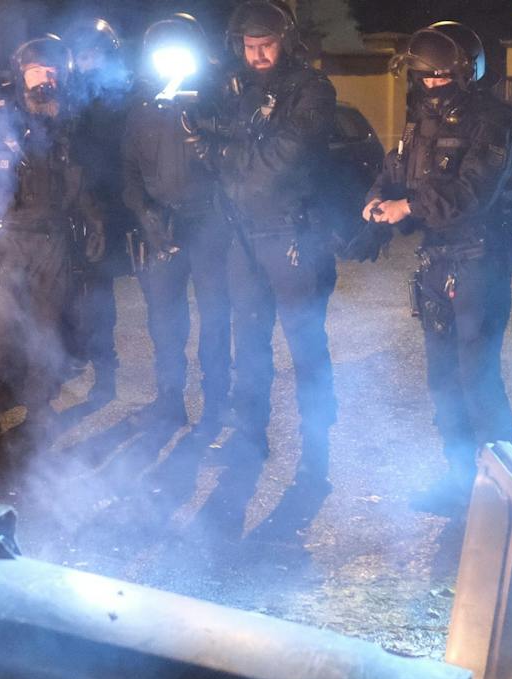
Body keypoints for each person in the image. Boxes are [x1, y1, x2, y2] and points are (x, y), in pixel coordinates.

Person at [363, 21, 512, 512]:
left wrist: (407, 207)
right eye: (423, 76)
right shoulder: (420, 122)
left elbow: (472, 192)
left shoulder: (495, 122)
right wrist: (375, 200)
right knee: (442, 382)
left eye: (440, 76)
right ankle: (460, 481)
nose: (431, 85)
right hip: (436, 266)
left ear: (465, 73)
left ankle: (506, 494)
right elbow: (393, 173)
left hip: (480, 264)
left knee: (478, 382)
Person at [203, 0, 340, 486]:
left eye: (267, 45)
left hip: (292, 234)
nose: (258, 55)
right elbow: (217, 154)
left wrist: (220, 149)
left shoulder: (312, 90)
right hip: (245, 233)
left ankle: (316, 449)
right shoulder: (234, 89)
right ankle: (250, 437)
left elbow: (282, 160)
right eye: (250, 46)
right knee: (251, 343)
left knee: (305, 346)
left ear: (287, 42)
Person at [0, 36, 105, 440]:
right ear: (21, 73)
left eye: (54, 71)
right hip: (7, 238)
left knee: (46, 327)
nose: (47, 78)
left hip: (53, 240)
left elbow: (80, 182)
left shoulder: (69, 123)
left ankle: (38, 408)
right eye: (39, 70)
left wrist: (94, 223)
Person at [122, 13, 233, 427]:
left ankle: (217, 406)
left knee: (215, 318)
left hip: (210, 226)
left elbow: (235, 165)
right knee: (165, 321)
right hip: (161, 229)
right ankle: (169, 402)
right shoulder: (141, 110)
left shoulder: (218, 102)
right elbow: (129, 173)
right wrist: (145, 214)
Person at [64, 18, 134, 409]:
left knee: (98, 298)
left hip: (104, 209)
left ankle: (105, 375)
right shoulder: (67, 96)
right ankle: (64, 364)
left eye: (94, 52)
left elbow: (122, 157)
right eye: (82, 53)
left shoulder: (118, 98)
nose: (86, 60)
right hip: (66, 211)